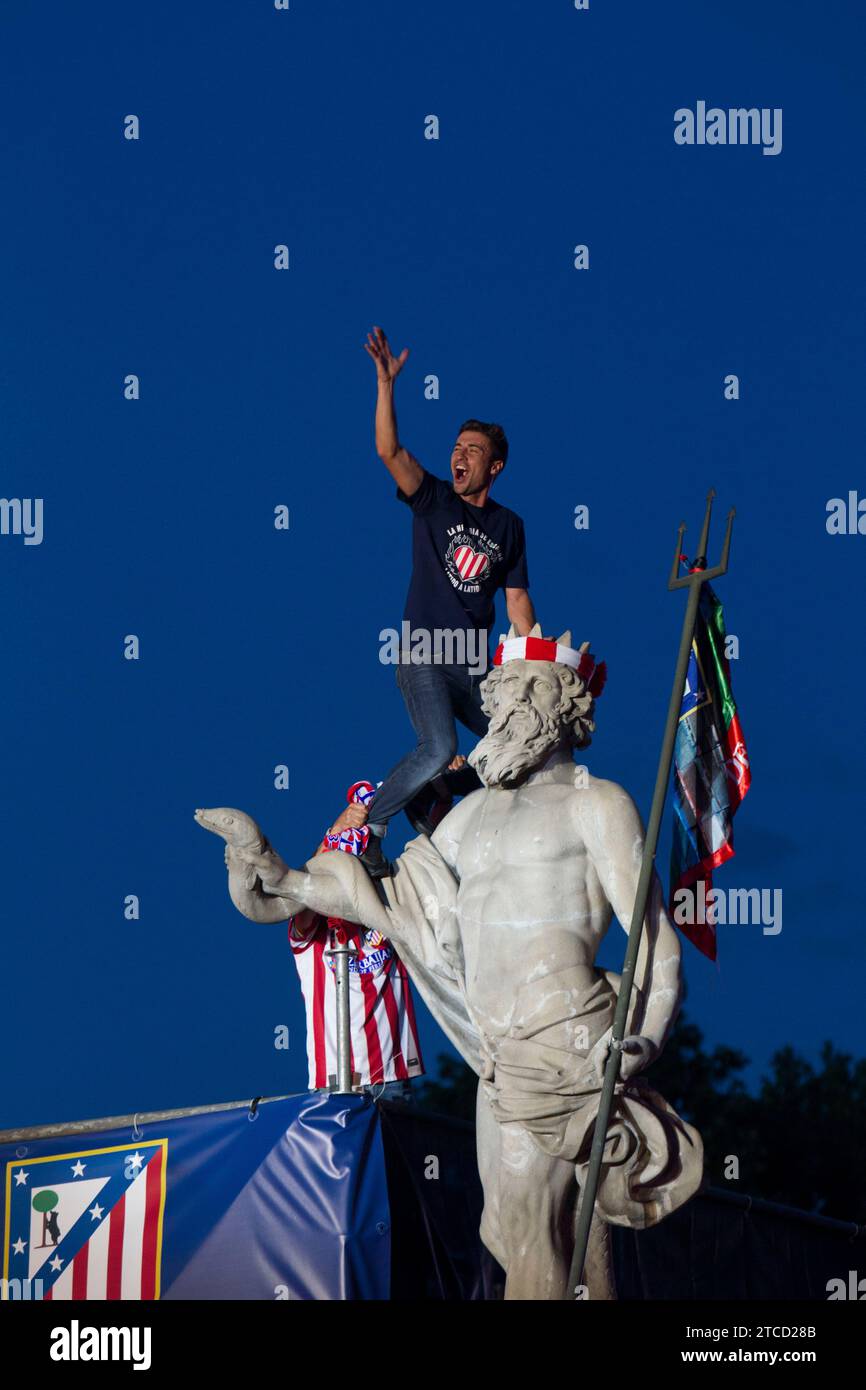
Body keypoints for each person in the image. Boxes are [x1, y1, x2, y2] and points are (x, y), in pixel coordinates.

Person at [359, 324, 537, 876]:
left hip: (473, 663)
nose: (459, 456)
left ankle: (432, 792)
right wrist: (386, 385)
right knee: (437, 744)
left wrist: (534, 666)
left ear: (494, 467)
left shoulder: (509, 526)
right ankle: (372, 828)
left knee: (522, 741)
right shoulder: (434, 498)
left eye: (472, 451)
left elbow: (518, 604)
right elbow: (388, 449)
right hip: (422, 653)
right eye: (456, 448)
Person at [289, 780, 424, 1101]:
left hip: (395, 1079)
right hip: (335, 1083)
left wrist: (442, 789)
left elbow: (437, 864)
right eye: (346, 866)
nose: (352, 875)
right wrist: (335, 832)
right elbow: (300, 887)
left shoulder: (391, 911)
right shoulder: (313, 930)